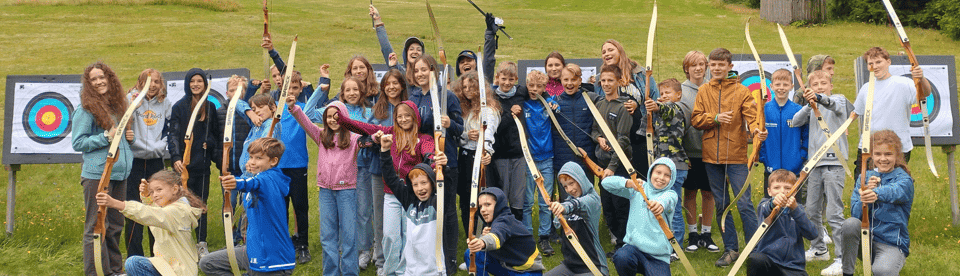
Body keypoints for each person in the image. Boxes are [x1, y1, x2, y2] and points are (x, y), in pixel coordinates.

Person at [336, 99, 435, 276]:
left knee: (408, 235)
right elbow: (364, 128)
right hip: (390, 193)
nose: (403, 119)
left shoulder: (423, 139)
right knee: (390, 235)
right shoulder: (390, 134)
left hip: (412, 196)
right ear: (395, 119)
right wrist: (343, 120)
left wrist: (433, 159)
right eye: (400, 116)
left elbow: (430, 151)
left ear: (415, 118)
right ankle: (390, 270)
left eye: (407, 116)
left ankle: (405, 271)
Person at [691, 48, 767, 267]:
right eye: (712, 65)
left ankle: (755, 251)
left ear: (729, 67)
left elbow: (752, 118)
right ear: (708, 66)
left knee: (744, 203)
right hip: (711, 158)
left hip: (736, 156)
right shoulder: (704, 90)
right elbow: (696, 119)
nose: (716, 68)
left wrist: (756, 132)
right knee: (722, 205)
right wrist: (714, 118)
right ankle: (731, 249)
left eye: (721, 65)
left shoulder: (742, 91)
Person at [237, 70, 315, 263]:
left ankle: (302, 244)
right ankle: (283, 242)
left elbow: (314, 104)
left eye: (295, 88)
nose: (290, 91)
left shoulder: (293, 111)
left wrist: (317, 86)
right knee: (280, 206)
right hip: (276, 169)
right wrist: (250, 111)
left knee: (300, 206)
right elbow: (237, 103)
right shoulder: (260, 122)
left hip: (296, 166)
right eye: (286, 88)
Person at [404, 53, 463, 273]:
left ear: (433, 71)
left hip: (445, 161)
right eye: (416, 70)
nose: (420, 74)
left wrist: (450, 124)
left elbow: (461, 129)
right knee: (425, 212)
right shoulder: (414, 98)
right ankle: (426, 256)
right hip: (421, 164)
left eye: (424, 70)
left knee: (447, 211)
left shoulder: (447, 96)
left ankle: (449, 259)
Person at [73, 61, 133, 275]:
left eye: (102, 77)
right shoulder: (86, 109)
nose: (99, 82)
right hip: (98, 175)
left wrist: (128, 139)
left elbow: (120, 142)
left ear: (110, 78)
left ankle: (115, 271)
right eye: (94, 79)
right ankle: (97, 272)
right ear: (89, 84)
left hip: (119, 174)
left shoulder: (117, 106)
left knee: (115, 226)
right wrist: (105, 137)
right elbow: (78, 143)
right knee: (96, 227)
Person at [202, 137, 296, 275]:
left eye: (259, 158)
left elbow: (252, 183)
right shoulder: (260, 176)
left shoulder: (270, 179)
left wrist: (237, 183)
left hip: (273, 260)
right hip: (254, 249)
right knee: (208, 263)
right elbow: (250, 181)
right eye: (251, 157)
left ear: (273, 161)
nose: (252, 162)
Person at [290, 98, 361, 276]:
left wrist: (377, 137)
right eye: (329, 116)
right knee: (327, 236)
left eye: (337, 116)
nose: (332, 120)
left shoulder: (353, 139)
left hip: (347, 191)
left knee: (349, 236)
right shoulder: (321, 136)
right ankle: (331, 272)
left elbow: (368, 137)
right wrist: (294, 108)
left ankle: (350, 272)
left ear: (345, 118)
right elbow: (305, 122)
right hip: (326, 192)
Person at [790, 70, 852, 273]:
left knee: (834, 212)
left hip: (834, 163)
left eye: (823, 82)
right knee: (811, 210)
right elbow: (796, 121)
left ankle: (842, 259)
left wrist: (819, 98)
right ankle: (818, 249)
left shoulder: (839, 100)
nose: (819, 85)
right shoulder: (811, 105)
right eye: (814, 84)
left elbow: (833, 104)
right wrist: (809, 104)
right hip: (814, 164)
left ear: (831, 85)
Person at [836, 129, 914, 276]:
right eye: (878, 154)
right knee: (850, 224)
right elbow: (856, 213)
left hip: (891, 242)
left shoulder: (904, 179)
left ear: (897, 156)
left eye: (888, 154)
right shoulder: (865, 177)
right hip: (866, 240)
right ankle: (847, 272)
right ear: (871, 155)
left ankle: (887, 262)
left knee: (881, 271)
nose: (883, 159)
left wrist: (875, 193)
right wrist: (865, 195)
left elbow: (895, 191)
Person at [97, 170, 205, 276]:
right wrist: (147, 197)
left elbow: (150, 214)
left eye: (159, 190)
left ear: (175, 189)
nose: (155, 195)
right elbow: (156, 212)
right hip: (168, 268)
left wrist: (116, 203)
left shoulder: (177, 211)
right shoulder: (172, 208)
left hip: (179, 271)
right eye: (152, 192)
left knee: (134, 263)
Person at [167, 68, 222, 256]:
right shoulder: (179, 107)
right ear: (187, 84)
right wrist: (175, 157)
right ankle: (183, 243)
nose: (196, 84)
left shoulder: (210, 107)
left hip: (202, 165)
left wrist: (210, 144)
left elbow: (215, 134)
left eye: (199, 81)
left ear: (205, 85)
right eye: (192, 81)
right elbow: (173, 134)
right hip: (183, 167)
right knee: (181, 205)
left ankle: (201, 242)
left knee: (200, 205)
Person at [852, 47, 931, 174]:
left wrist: (921, 78)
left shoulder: (903, 83)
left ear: (888, 62)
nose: (874, 66)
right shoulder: (866, 88)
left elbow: (925, 93)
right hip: (868, 147)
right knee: (864, 187)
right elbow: (855, 112)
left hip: (897, 147)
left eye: (878, 62)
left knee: (893, 187)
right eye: (870, 63)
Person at [378, 132, 448, 276]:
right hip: (410, 271)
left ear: (432, 183)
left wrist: (443, 167)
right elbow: (391, 179)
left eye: (424, 183)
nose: (420, 188)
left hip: (434, 271)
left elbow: (444, 182)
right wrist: (385, 151)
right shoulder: (409, 201)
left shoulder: (437, 202)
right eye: (415, 184)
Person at [365, 69, 410, 273]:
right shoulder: (377, 112)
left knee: (405, 219)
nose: (391, 87)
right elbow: (364, 139)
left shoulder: (409, 108)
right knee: (382, 218)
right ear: (383, 87)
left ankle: (405, 259)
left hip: (406, 172)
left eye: (395, 83)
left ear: (402, 85)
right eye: (387, 84)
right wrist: (373, 139)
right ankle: (383, 261)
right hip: (380, 171)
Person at [331, 73, 377, 270]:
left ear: (362, 92)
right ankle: (347, 249)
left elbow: (374, 134)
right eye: (347, 90)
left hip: (363, 168)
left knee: (363, 210)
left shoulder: (369, 112)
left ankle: (365, 249)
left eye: (355, 90)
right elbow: (306, 113)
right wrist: (321, 88)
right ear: (342, 93)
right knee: (344, 211)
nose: (351, 93)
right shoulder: (336, 112)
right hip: (341, 170)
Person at [605, 157, 679, 276]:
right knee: (622, 257)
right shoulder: (638, 189)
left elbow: (667, 200)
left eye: (667, 175)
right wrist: (628, 183)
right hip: (634, 250)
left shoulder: (670, 194)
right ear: (651, 172)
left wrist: (660, 204)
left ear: (672, 179)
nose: (661, 178)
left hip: (658, 257)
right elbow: (605, 183)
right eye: (658, 172)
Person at [644, 78, 691, 261]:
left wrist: (656, 105)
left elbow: (667, 108)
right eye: (661, 94)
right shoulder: (662, 113)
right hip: (663, 166)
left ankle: (676, 247)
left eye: (668, 93)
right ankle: (664, 242)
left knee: (674, 208)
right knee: (663, 206)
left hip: (676, 167)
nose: (664, 97)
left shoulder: (677, 109)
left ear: (678, 95)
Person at [124, 68, 170, 257]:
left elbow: (168, 130)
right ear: (140, 83)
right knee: (134, 210)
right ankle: (135, 258)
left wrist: (158, 147)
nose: (152, 85)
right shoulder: (130, 100)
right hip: (134, 161)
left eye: (156, 82)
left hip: (155, 162)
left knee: (157, 209)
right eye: (148, 81)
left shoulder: (166, 103)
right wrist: (134, 142)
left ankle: (157, 257)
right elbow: (123, 126)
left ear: (161, 84)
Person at [677, 50, 719, 253]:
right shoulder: (681, 91)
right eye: (693, 65)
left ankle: (707, 233)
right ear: (687, 68)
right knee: (690, 192)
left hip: (710, 150)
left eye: (702, 64)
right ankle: (692, 233)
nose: (698, 68)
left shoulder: (714, 88)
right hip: (689, 151)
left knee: (709, 193)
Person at [515, 70, 558, 255]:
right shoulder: (522, 103)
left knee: (545, 202)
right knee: (526, 203)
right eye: (531, 86)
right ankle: (527, 237)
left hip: (547, 159)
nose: (534, 89)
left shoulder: (548, 103)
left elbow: (558, 109)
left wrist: (553, 104)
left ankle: (544, 237)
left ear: (545, 87)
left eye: (539, 87)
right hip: (528, 159)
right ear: (526, 85)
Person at [746, 169, 818, 276]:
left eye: (788, 188)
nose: (782, 191)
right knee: (756, 259)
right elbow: (765, 209)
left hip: (794, 268)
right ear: (769, 191)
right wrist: (773, 203)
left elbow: (812, 234)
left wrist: (795, 210)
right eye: (776, 188)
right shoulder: (764, 205)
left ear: (794, 191)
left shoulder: (799, 210)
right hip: (770, 264)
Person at [455, 70, 500, 238]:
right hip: (466, 159)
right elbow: (456, 136)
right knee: (467, 202)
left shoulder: (488, 109)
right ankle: (471, 240)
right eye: (464, 87)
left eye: (471, 86)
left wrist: (486, 151)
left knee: (485, 202)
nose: (467, 90)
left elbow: (489, 133)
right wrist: (466, 136)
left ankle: (487, 241)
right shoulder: (463, 109)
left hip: (481, 159)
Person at [592, 64, 632, 252]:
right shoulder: (599, 104)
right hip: (603, 163)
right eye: (604, 81)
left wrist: (613, 167)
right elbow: (594, 130)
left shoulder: (623, 107)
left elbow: (623, 139)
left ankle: (624, 243)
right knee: (607, 204)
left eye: (610, 80)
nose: (606, 84)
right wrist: (598, 139)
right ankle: (616, 239)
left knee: (620, 205)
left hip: (618, 165)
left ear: (618, 82)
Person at [544, 162, 608, 276]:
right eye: (565, 186)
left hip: (593, 267)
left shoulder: (593, 199)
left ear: (580, 179)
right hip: (570, 266)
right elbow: (558, 224)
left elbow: (578, 204)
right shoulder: (568, 201)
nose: (570, 189)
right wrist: (558, 210)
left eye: (572, 183)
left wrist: (564, 207)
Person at [464, 187, 546, 275]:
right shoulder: (493, 220)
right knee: (471, 254)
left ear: (499, 205)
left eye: (488, 204)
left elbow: (496, 236)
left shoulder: (505, 220)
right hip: (508, 266)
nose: (483, 210)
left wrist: (482, 242)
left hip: (526, 271)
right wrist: (483, 238)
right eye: (480, 206)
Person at [488, 61, 530, 221]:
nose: (507, 83)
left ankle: (517, 228)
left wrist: (547, 97)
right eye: (503, 79)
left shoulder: (520, 92)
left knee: (518, 195)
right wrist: (509, 114)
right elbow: (495, 127)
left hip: (519, 153)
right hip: (500, 154)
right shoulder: (493, 98)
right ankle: (502, 227)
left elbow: (536, 92)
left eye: (511, 80)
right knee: (502, 194)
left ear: (516, 79)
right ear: (497, 78)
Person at [551, 63, 599, 201]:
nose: (569, 83)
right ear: (561, 80)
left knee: (586, 199)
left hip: (586, 159)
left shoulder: (590, 98)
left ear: (580, 80)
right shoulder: (554, 101)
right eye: (566, 80)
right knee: (567, 201)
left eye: (573, 79)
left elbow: (610, 102)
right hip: (562, 160)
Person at [759, 69, 808, 198]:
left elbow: (806, 135)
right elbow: (759, 137)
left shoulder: (798, 110)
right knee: (770, 208)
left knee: (794, 207)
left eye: (785, 85)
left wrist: (801, 157)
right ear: (771, 86)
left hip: (793, 169)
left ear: (792, 87)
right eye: (778, 84)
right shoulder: (764, 110)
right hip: (771, 168)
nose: (781, 88)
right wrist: (763, 157)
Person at [369, 4, 424, 74]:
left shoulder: (429, 76)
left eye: (419, 49)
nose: (415, 52)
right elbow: (387, 50)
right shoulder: (401, 74)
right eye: (411, 49)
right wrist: (377, 20)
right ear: (406, 54)